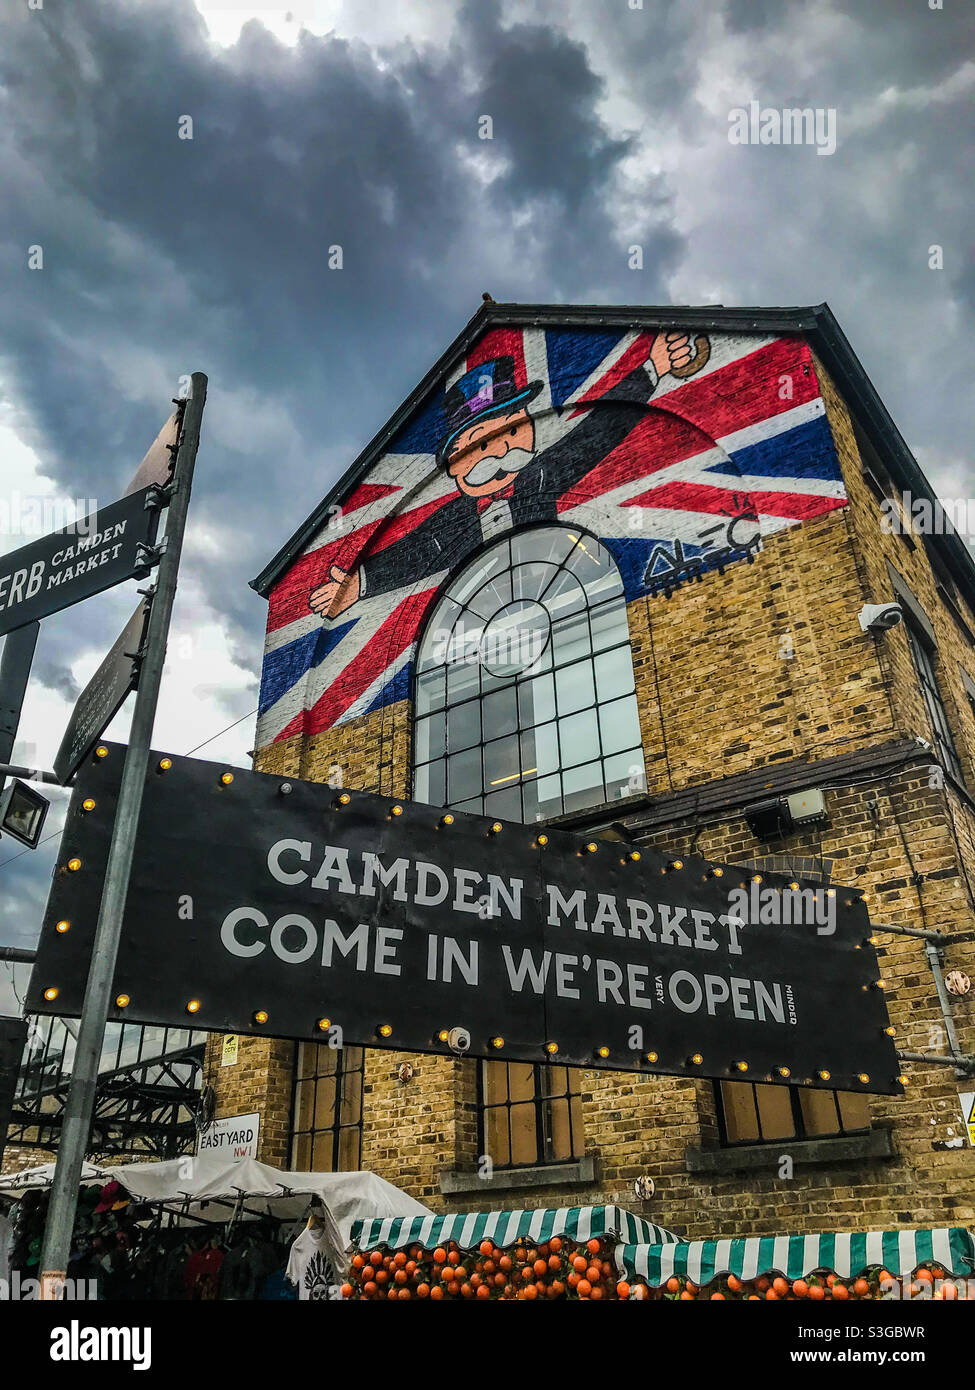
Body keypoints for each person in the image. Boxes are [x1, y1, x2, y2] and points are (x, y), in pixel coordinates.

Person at [308, 332, 707, 618]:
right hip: (487, 627)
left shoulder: (540, 475)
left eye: (513, 430)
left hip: (569, 598)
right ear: (455, 464)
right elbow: (414, 553)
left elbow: (594, 435)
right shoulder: (452, 522)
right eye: (482, 442)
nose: (500, 449)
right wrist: (359, 584)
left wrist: (651, 370)